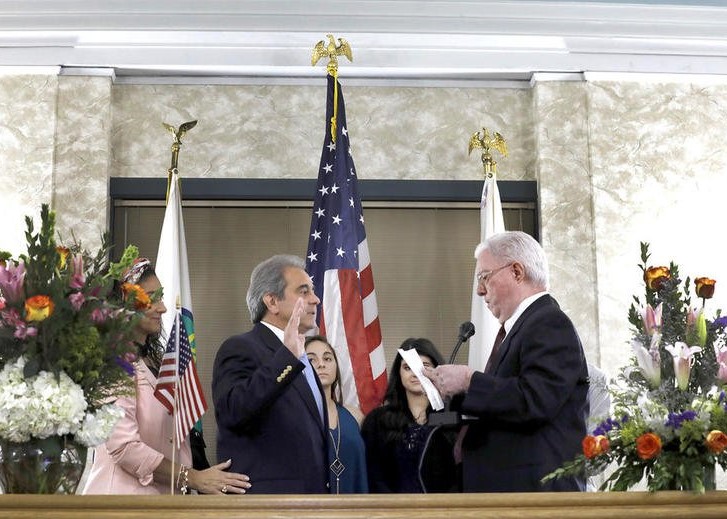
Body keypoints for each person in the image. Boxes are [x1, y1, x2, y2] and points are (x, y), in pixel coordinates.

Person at [424, 231, 589, 492]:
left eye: (484, 277)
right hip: (511, 492)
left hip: (534, 497)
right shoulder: (523, 327)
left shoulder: (548, 322)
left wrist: (469, 381)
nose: (479, 290)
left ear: (516, 272)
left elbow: (534, 400)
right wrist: (453, 393)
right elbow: (504, 404)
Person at [83, 258, 251, 495]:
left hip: (162, 502)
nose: (162, 308)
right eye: (150, 299)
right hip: (120, 504)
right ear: (120, 306)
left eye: (160, 297)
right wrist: (192, 477)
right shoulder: (114, 363)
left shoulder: (154, 361)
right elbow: (123, 447)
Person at [212, 254, 330, 494]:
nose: (315, 299)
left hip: (311, 501)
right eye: (304, 291)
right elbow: (233, 411)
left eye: (313, 291)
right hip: (266, 502)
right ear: (272, 301)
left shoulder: (301, 357)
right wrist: (286, 357)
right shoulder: (240, 348)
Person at [361, 338, 458, 493]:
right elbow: (372, 475)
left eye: (424, 366)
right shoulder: (377, 420)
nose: (415, 373)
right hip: (390, 506)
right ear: (398, 373)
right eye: (408, 367)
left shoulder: (452, 418)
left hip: (443, 506)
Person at [305, 335, 368, 494]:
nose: (321, 364)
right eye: (311, 360)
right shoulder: (295, 418)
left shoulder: (355, 416)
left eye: (327, 359)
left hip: (354, 504)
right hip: (311, 504)